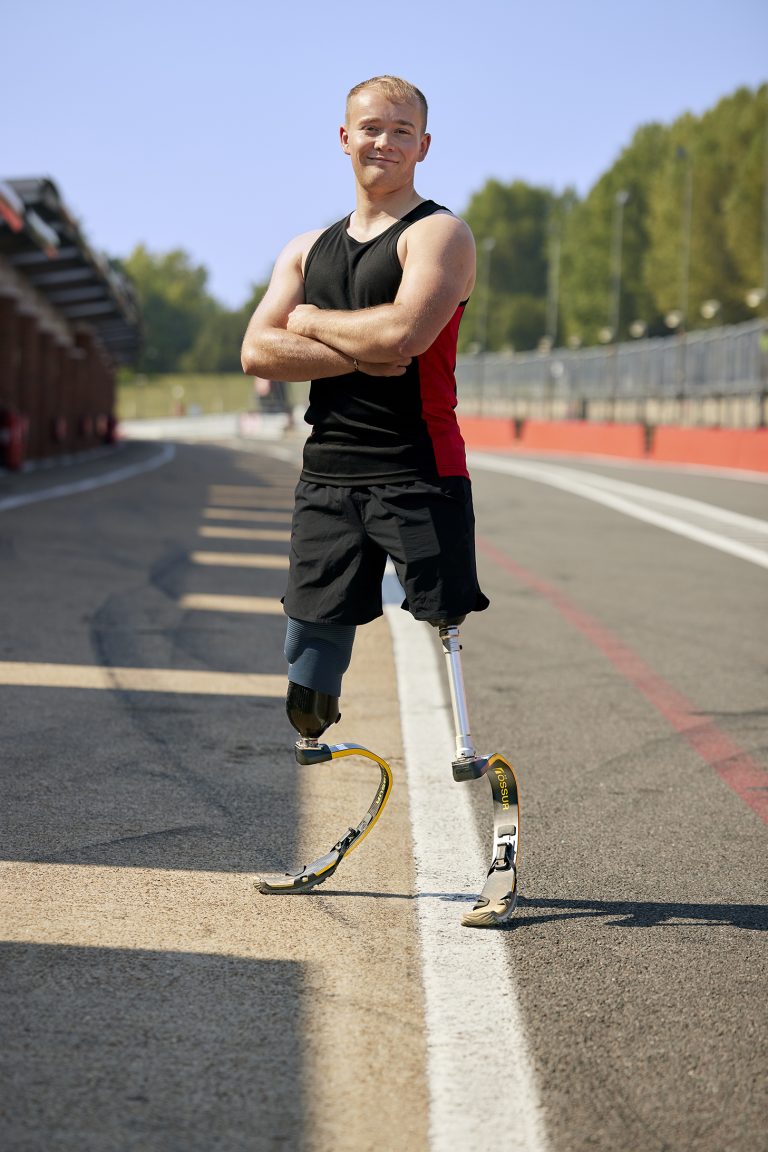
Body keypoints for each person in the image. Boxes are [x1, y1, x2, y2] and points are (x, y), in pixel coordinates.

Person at [241, 74, 488, 744]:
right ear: (345, 137)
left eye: (402, 131)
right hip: (327, 473)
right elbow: (257, 351)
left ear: (424, 145)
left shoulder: (439, 235)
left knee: (446, 620)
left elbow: (404, 336)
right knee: (308, 668)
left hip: (418, 465)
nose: (385, 142)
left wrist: (309, 320)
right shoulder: (304, 249)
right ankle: (318, 746)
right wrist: (359, 354)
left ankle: (464, 757)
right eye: (371, 128)